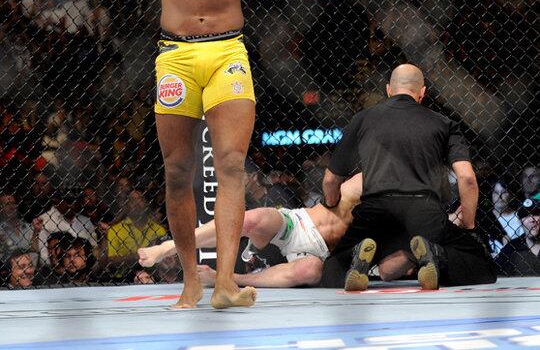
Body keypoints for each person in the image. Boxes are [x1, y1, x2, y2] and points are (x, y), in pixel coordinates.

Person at [50, 0, 393, 309]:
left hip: (228, 53)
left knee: (231, 165)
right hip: (176, 56)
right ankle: (191, 277)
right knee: (175, 169)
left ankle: (226, 282)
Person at [322, 64, 497, 291]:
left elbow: (330, 180)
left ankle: (357, 255)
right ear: (422, 92)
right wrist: (469, 224)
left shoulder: (363, 119)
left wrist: (331, 204)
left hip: (376, 210)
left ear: (388, 90)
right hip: (423, 212)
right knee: (482, 266)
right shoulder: (443, 123)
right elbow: (467, 178)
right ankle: (434, 254)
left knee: (331, 271)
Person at [138, 173, 363, 288]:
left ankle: (227, 278)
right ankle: (173, 245)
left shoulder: (389, 206)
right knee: (254, 219)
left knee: (310, 271)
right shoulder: (359, 183)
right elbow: (331, 183)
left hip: (318, 256)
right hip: (300, 226)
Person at [495, 198, 540, 276]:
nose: (532, 220)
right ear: (519, 221)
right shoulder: (511, 248)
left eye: (536, 214)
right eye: (526, 215)